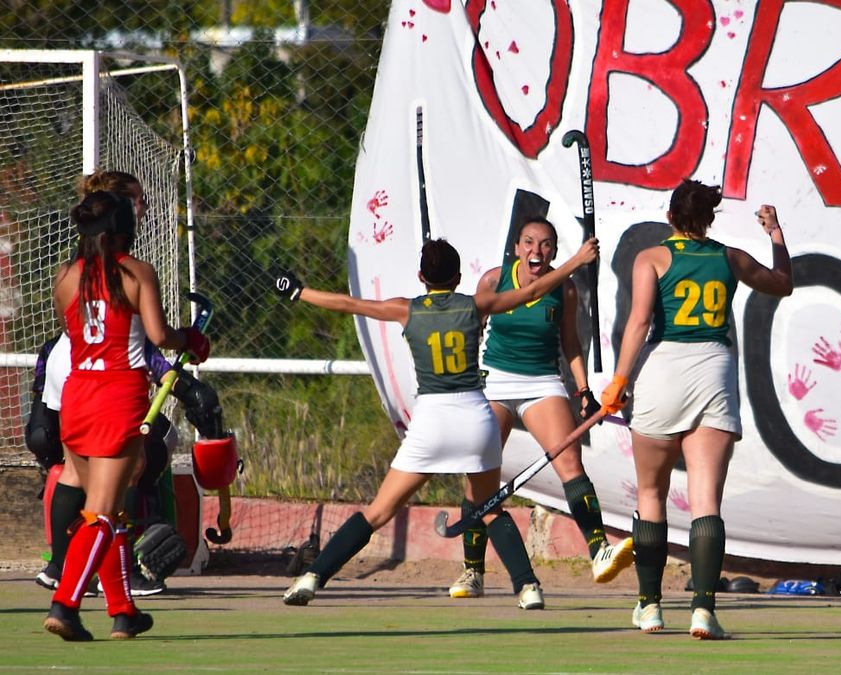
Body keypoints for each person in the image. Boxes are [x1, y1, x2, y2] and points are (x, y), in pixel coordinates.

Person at [278, 236, 598, 610]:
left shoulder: (407, 309)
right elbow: (535, 291)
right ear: (459, 277)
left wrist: (299, 292)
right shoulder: (478, 304)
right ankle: (528, 588)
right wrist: (576, 260)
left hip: (432, 422)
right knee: (489, 508)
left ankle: (313, 577)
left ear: (421, 277)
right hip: (476, 421)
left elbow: (349, 304)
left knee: (378, 512)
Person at [600, 180, 792, 640]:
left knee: (651, 494)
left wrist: (619, 382)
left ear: (670, 217)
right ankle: (703, 610)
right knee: (706, 501)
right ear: (709, 218)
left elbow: (640, 322)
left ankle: (649, 607)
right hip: (714, 373)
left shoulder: (651, 257)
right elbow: (783, 284)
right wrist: (776, 234)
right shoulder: (730, 258)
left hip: (663, 371)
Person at [43, 186, 211, 641]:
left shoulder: (66, 278)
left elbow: (79, 335)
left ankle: (123, 611)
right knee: (101, 512)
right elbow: (159, 336)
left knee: (111, 510)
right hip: (119, 398)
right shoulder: (137, 273)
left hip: (76, 398)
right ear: (125, 229)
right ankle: (66, 604)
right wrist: (191, 340)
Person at [446, 218, 633, 599]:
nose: (537, 251)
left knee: (570, 464)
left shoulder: (563, 289)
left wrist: (583, 389)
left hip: (541, 382)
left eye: (546, 244)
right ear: (516, 248)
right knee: (478, 475)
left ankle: (598, 550)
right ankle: (473, 571)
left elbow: (571, 344)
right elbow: (469, 331)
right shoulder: (493, 281)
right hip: (495, 380)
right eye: (529, 242)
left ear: (553, 251)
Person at [28, 331, 223, 596]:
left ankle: (61, 571)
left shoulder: (72, 288)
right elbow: (156, 332)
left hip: (70, 358)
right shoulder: (132, 289)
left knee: (75, 471)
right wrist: (185, 340)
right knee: (130, 468)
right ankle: (123, 576)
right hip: (110, 364)